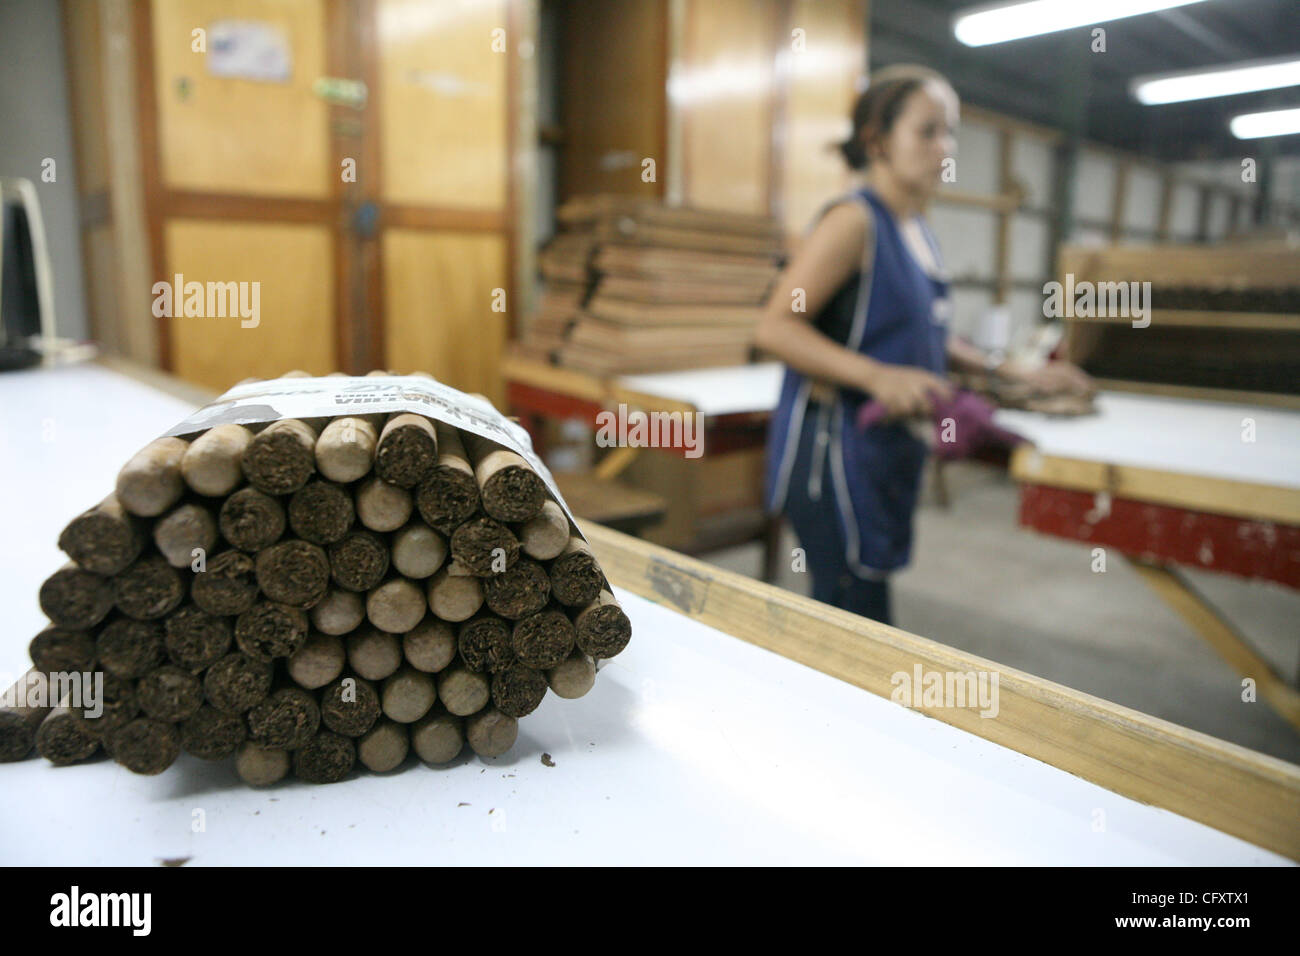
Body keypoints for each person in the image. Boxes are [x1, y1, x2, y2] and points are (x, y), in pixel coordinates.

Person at [757, 64, 1092, 625]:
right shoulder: (853, 221)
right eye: (928, 131)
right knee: (849, 618)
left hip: (885, 452)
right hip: (832, 454)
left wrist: (1004, 369)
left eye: (951, 131)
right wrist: (876, 376)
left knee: (867, 599)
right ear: (877, 140)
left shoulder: (917, 229)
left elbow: (925, 333)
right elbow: (773, 327)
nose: (946, 147)